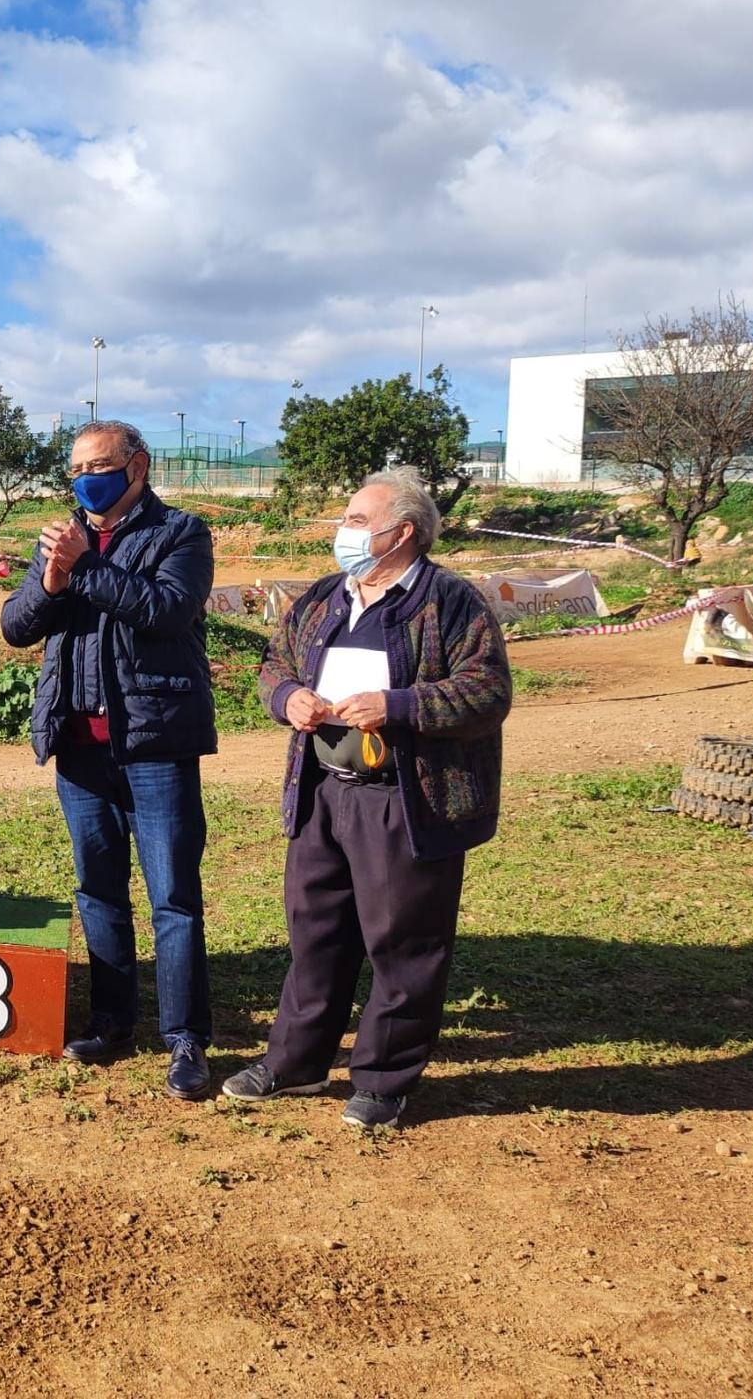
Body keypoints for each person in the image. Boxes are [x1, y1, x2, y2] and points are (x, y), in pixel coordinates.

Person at [223, 467, 511, 1130]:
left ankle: (384, 1080)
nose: (342, 532)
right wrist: (285, 696)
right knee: (315, 933)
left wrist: (399, 705)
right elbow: (275, 665)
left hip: (407, 799)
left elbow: (488, 692)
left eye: (356, 521)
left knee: (403, 942)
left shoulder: (452, 602)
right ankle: (295, 1063)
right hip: (323, 791)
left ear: (402, 532)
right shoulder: (324, 598)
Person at [0, 420, 217, 1095]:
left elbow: (167, 610)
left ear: (137, 467)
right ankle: (112, 1019)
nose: (85, 479)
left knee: (173, 898)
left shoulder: (181, 533)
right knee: (98, 892)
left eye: (99, 465)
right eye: (75, 469)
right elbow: (15, 626)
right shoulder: (60, 537)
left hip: (155, 746)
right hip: (78, 750)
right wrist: (54, 579)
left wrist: (86, 567)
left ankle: (185, 1041)